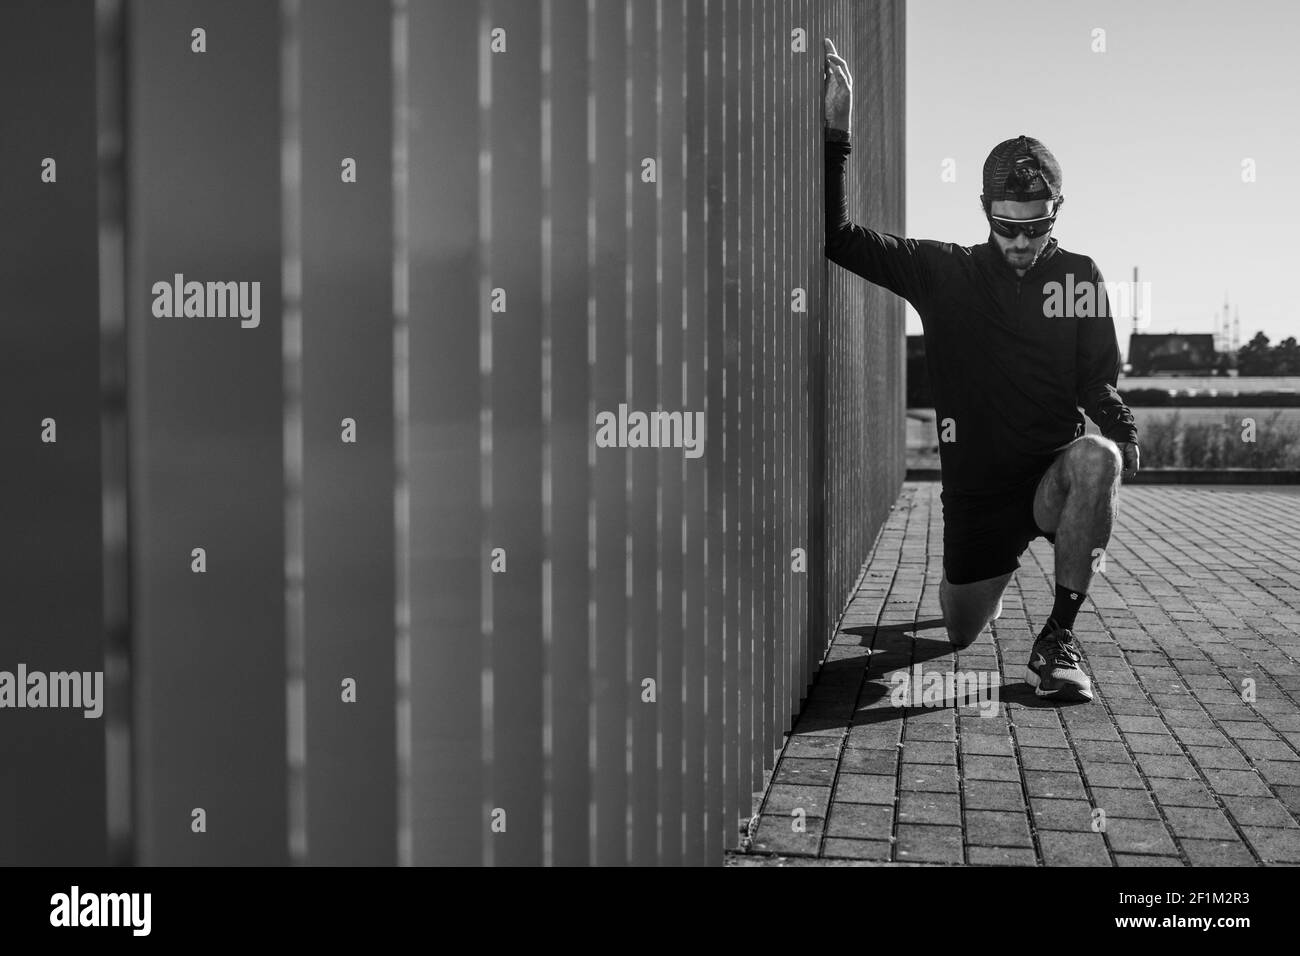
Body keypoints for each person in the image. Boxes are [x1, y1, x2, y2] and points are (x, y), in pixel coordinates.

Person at [822, 39, 1139, 703]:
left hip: (1048, 477)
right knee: (964, 631)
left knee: (1097, 460)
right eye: (1007, 227)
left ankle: (1057, 639)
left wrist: (1119, 426)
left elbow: (1094, 380)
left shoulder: (1079, 277)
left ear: (1057, 213)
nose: (1022, 243)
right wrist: (837, 131)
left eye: (1036, 228)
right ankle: (975, 595)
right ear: (984, 210)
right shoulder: (947, 273)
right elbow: (841, 240)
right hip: (977, 502)